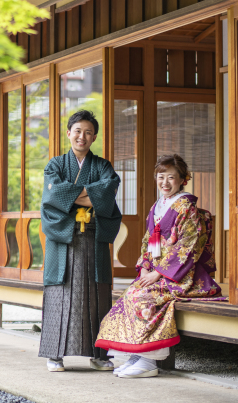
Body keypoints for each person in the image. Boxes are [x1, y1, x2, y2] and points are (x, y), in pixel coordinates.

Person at [95, 154, 224, 379]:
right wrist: (146, 266)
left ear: (183, 179)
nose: (165, 182)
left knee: (143, 298)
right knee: (130, 294)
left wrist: (159, 273)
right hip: (158, 272)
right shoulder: (158, 206)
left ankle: (149, 361)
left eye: (171, 177)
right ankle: (136, 355)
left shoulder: (186, 207)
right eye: (160, 177)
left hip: (182, 276)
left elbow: (188, 246)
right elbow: (150, 241)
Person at [38, 110, 122, 372]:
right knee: (59, 292)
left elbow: (107, 193)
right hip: (63, 238)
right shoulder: (55, 165)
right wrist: (90, 194)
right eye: (77, 131)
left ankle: (99, 355)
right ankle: (55, 355)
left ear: (94, 137)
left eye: (88, 132)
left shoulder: (103, 166)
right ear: (68, 133)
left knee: (97, 295)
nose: (82, 136)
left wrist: (72, 194)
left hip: (93, 238)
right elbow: (53, 194)